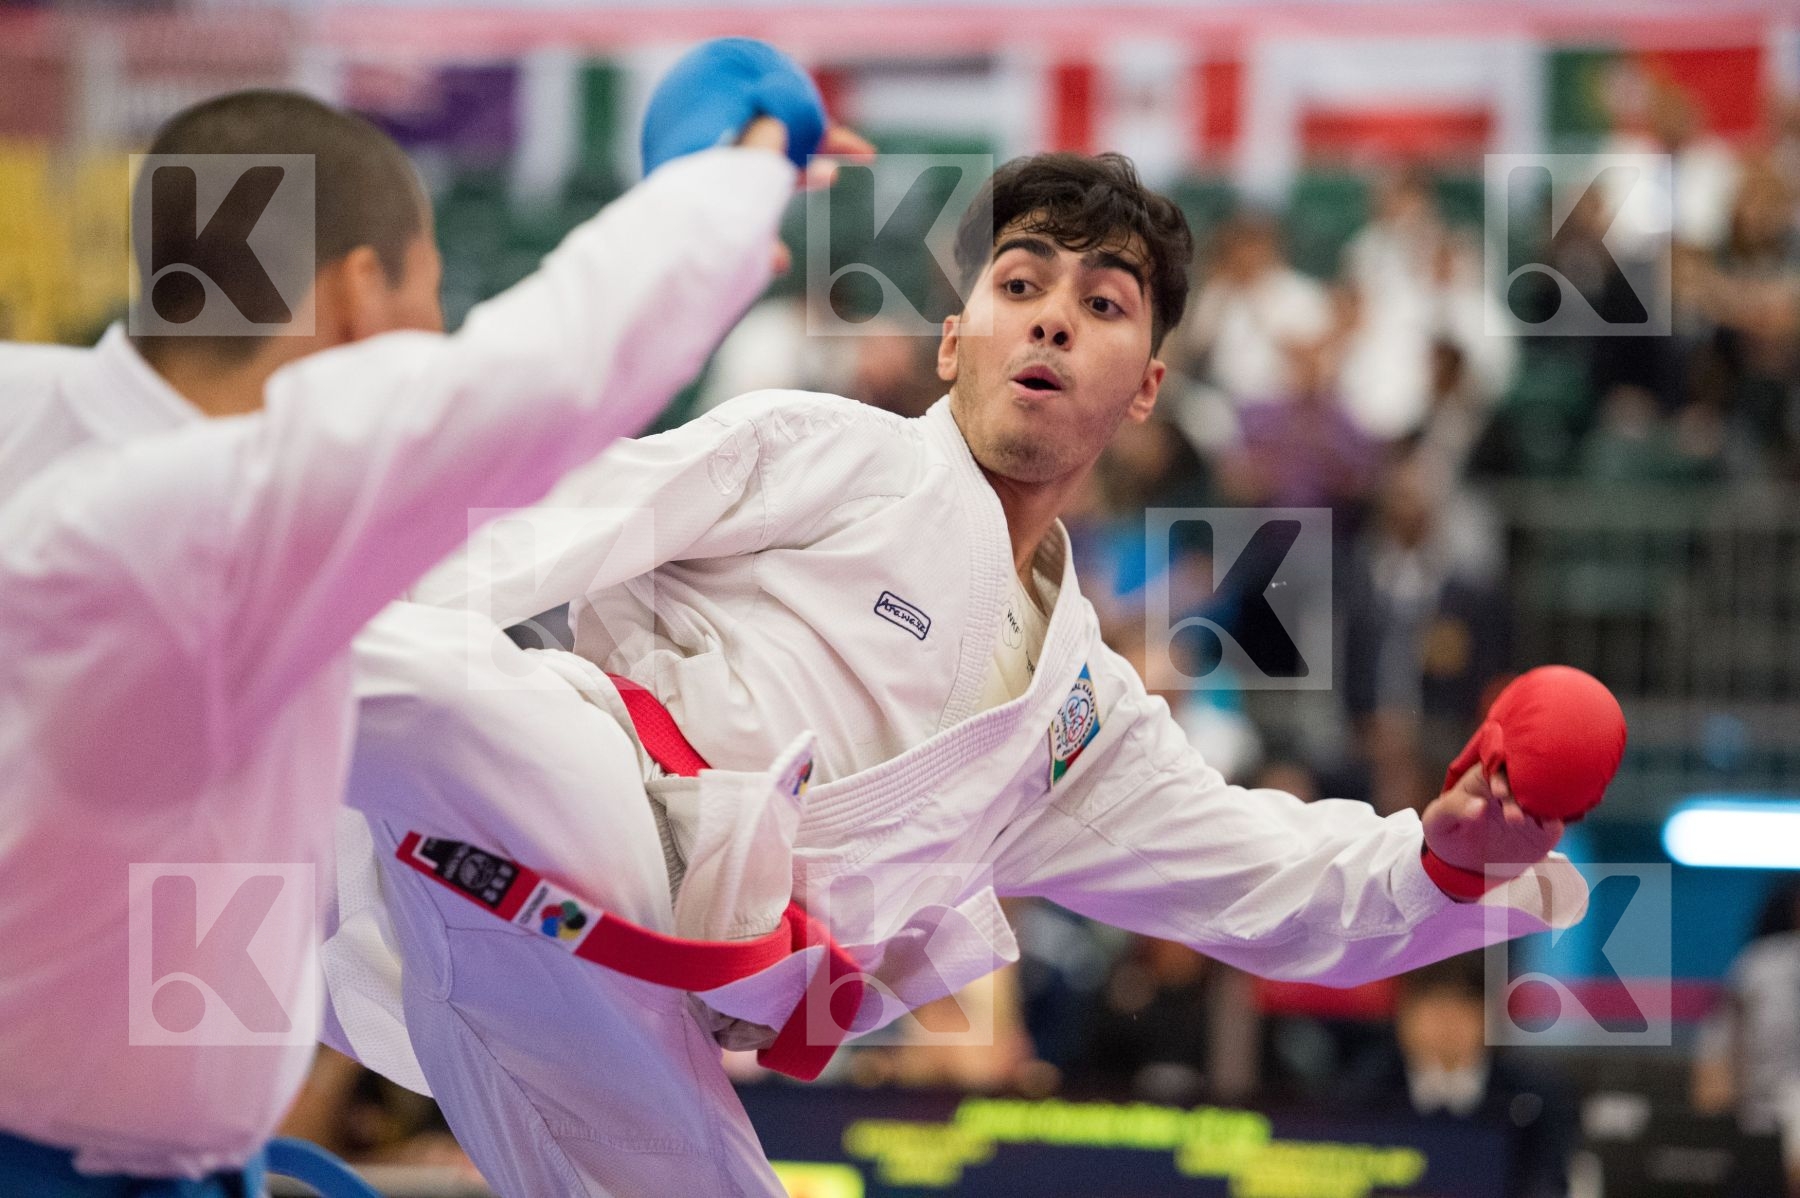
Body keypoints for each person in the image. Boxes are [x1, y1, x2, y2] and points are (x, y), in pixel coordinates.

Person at [323, 151, 1594, 1196]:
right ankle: (193, 621)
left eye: (1102, 303)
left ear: (1147, 386)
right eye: (1022, 282)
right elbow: (536, 528)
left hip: (630, 1006)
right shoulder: (819, 448)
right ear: (953, 342)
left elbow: (1274, 885)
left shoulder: (1078, 716)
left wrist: (1445, 861)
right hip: (580, 797)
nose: (1052, 313)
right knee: (415, 678)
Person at [0, 60, 854, 1192]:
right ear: (358, 297)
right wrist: (730, 167)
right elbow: (551, 369)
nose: (430, 339)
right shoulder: (212, 520)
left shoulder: (35, 419)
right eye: (428, 299)